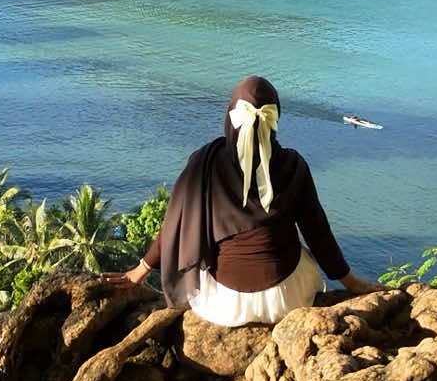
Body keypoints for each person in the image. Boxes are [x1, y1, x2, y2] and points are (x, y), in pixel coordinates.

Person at [109, 74, 380, 326]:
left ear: (231, 116)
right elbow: (317, 233)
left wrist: (140, 270)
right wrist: (350, 282)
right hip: (286, 297)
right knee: (301, 254)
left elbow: (175, 226)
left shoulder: (206, 161)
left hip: (225, 302)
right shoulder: (294, 165)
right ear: (275, 119)